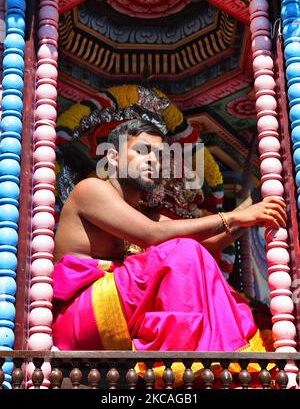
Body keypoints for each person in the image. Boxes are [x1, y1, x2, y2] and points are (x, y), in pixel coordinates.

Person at [52, 119, 286, 370]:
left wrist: (254, 209)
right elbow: (152, 234)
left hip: (117, 317)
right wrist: (234, 216)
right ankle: (183, 360)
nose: (153, 161)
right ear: (113, 157)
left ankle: (210, 359)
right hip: (81, 317)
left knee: (198, 264)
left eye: (159, 155)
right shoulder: (91, 189)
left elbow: (211, 242)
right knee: (184, 251)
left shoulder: (142, 213)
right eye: (142, 151)